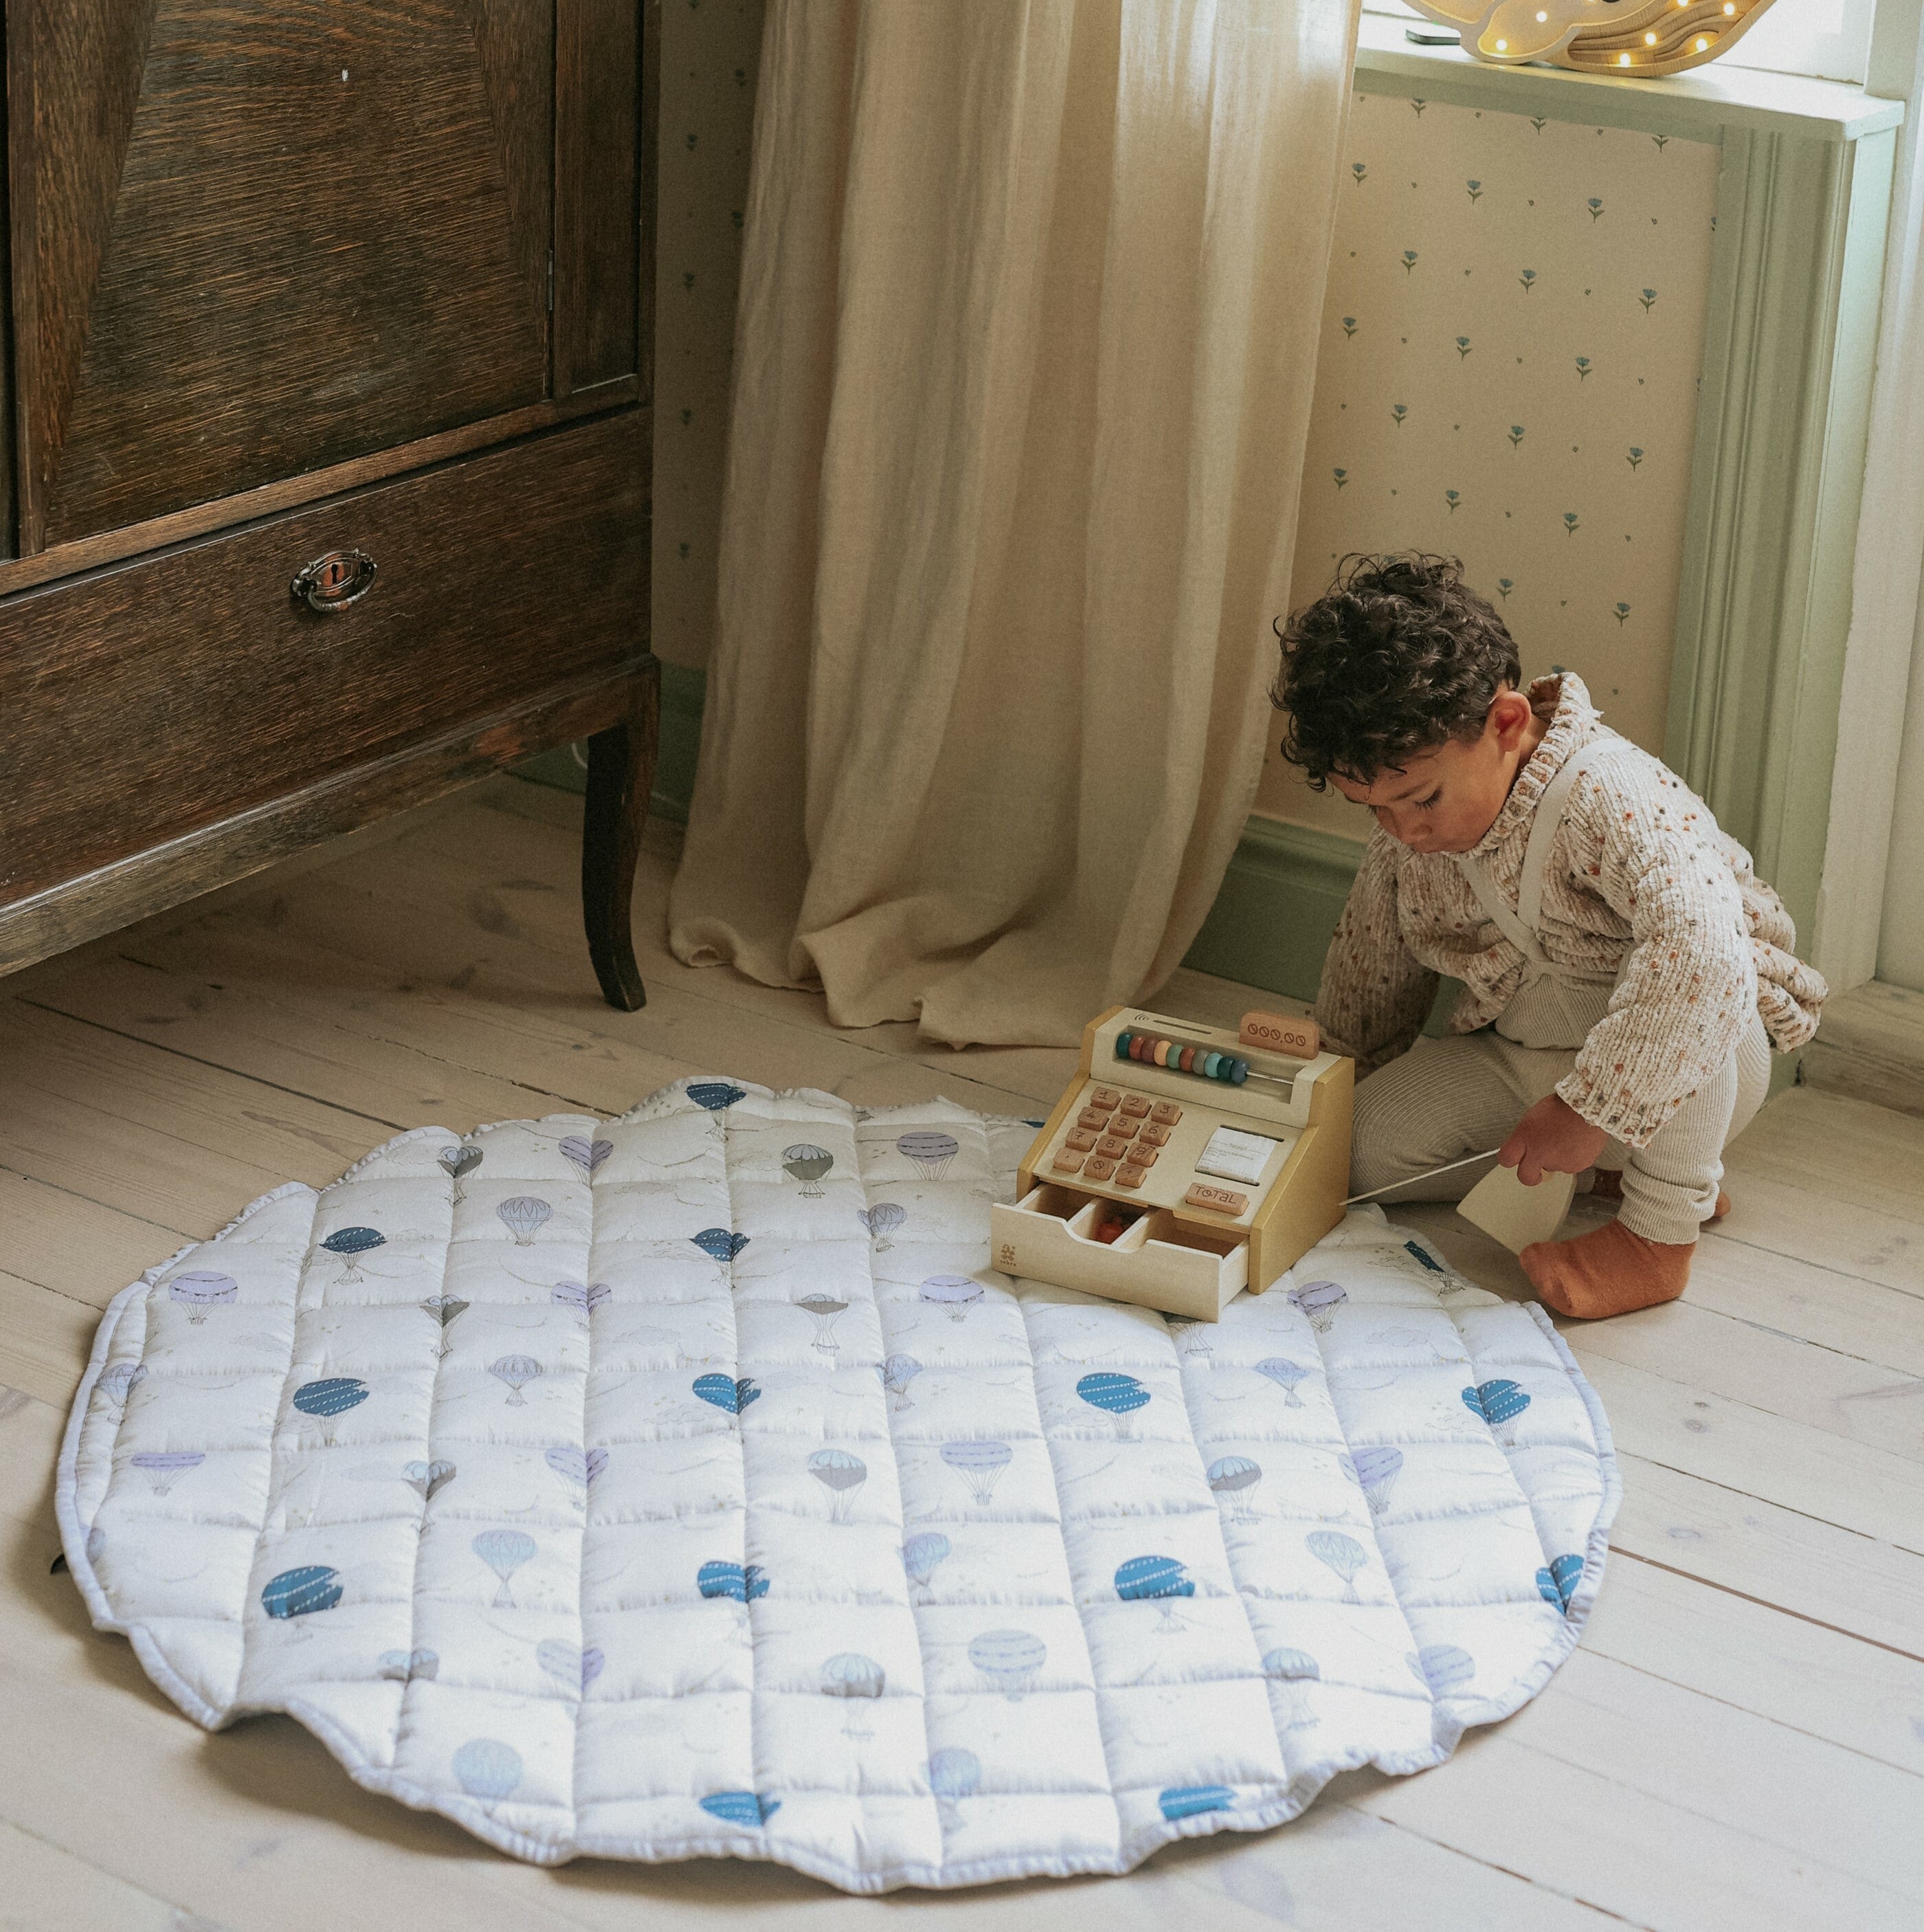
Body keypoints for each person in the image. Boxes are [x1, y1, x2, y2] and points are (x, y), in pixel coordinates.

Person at [1271, 553, 1826, 1319]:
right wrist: (1333, 1076)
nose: (1405, 830)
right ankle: (1604, 1168)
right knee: (1348, 1154)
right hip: (1528, 1055)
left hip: (1705, 1056)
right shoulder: (1407, 835)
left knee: (1702, 997)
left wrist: (1591, 1111)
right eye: (1376, 810)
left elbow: (1702, 956)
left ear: (1503, 724)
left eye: (1421, 799)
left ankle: (1660, 1231)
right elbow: (1374, 965)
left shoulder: (1610, 797)